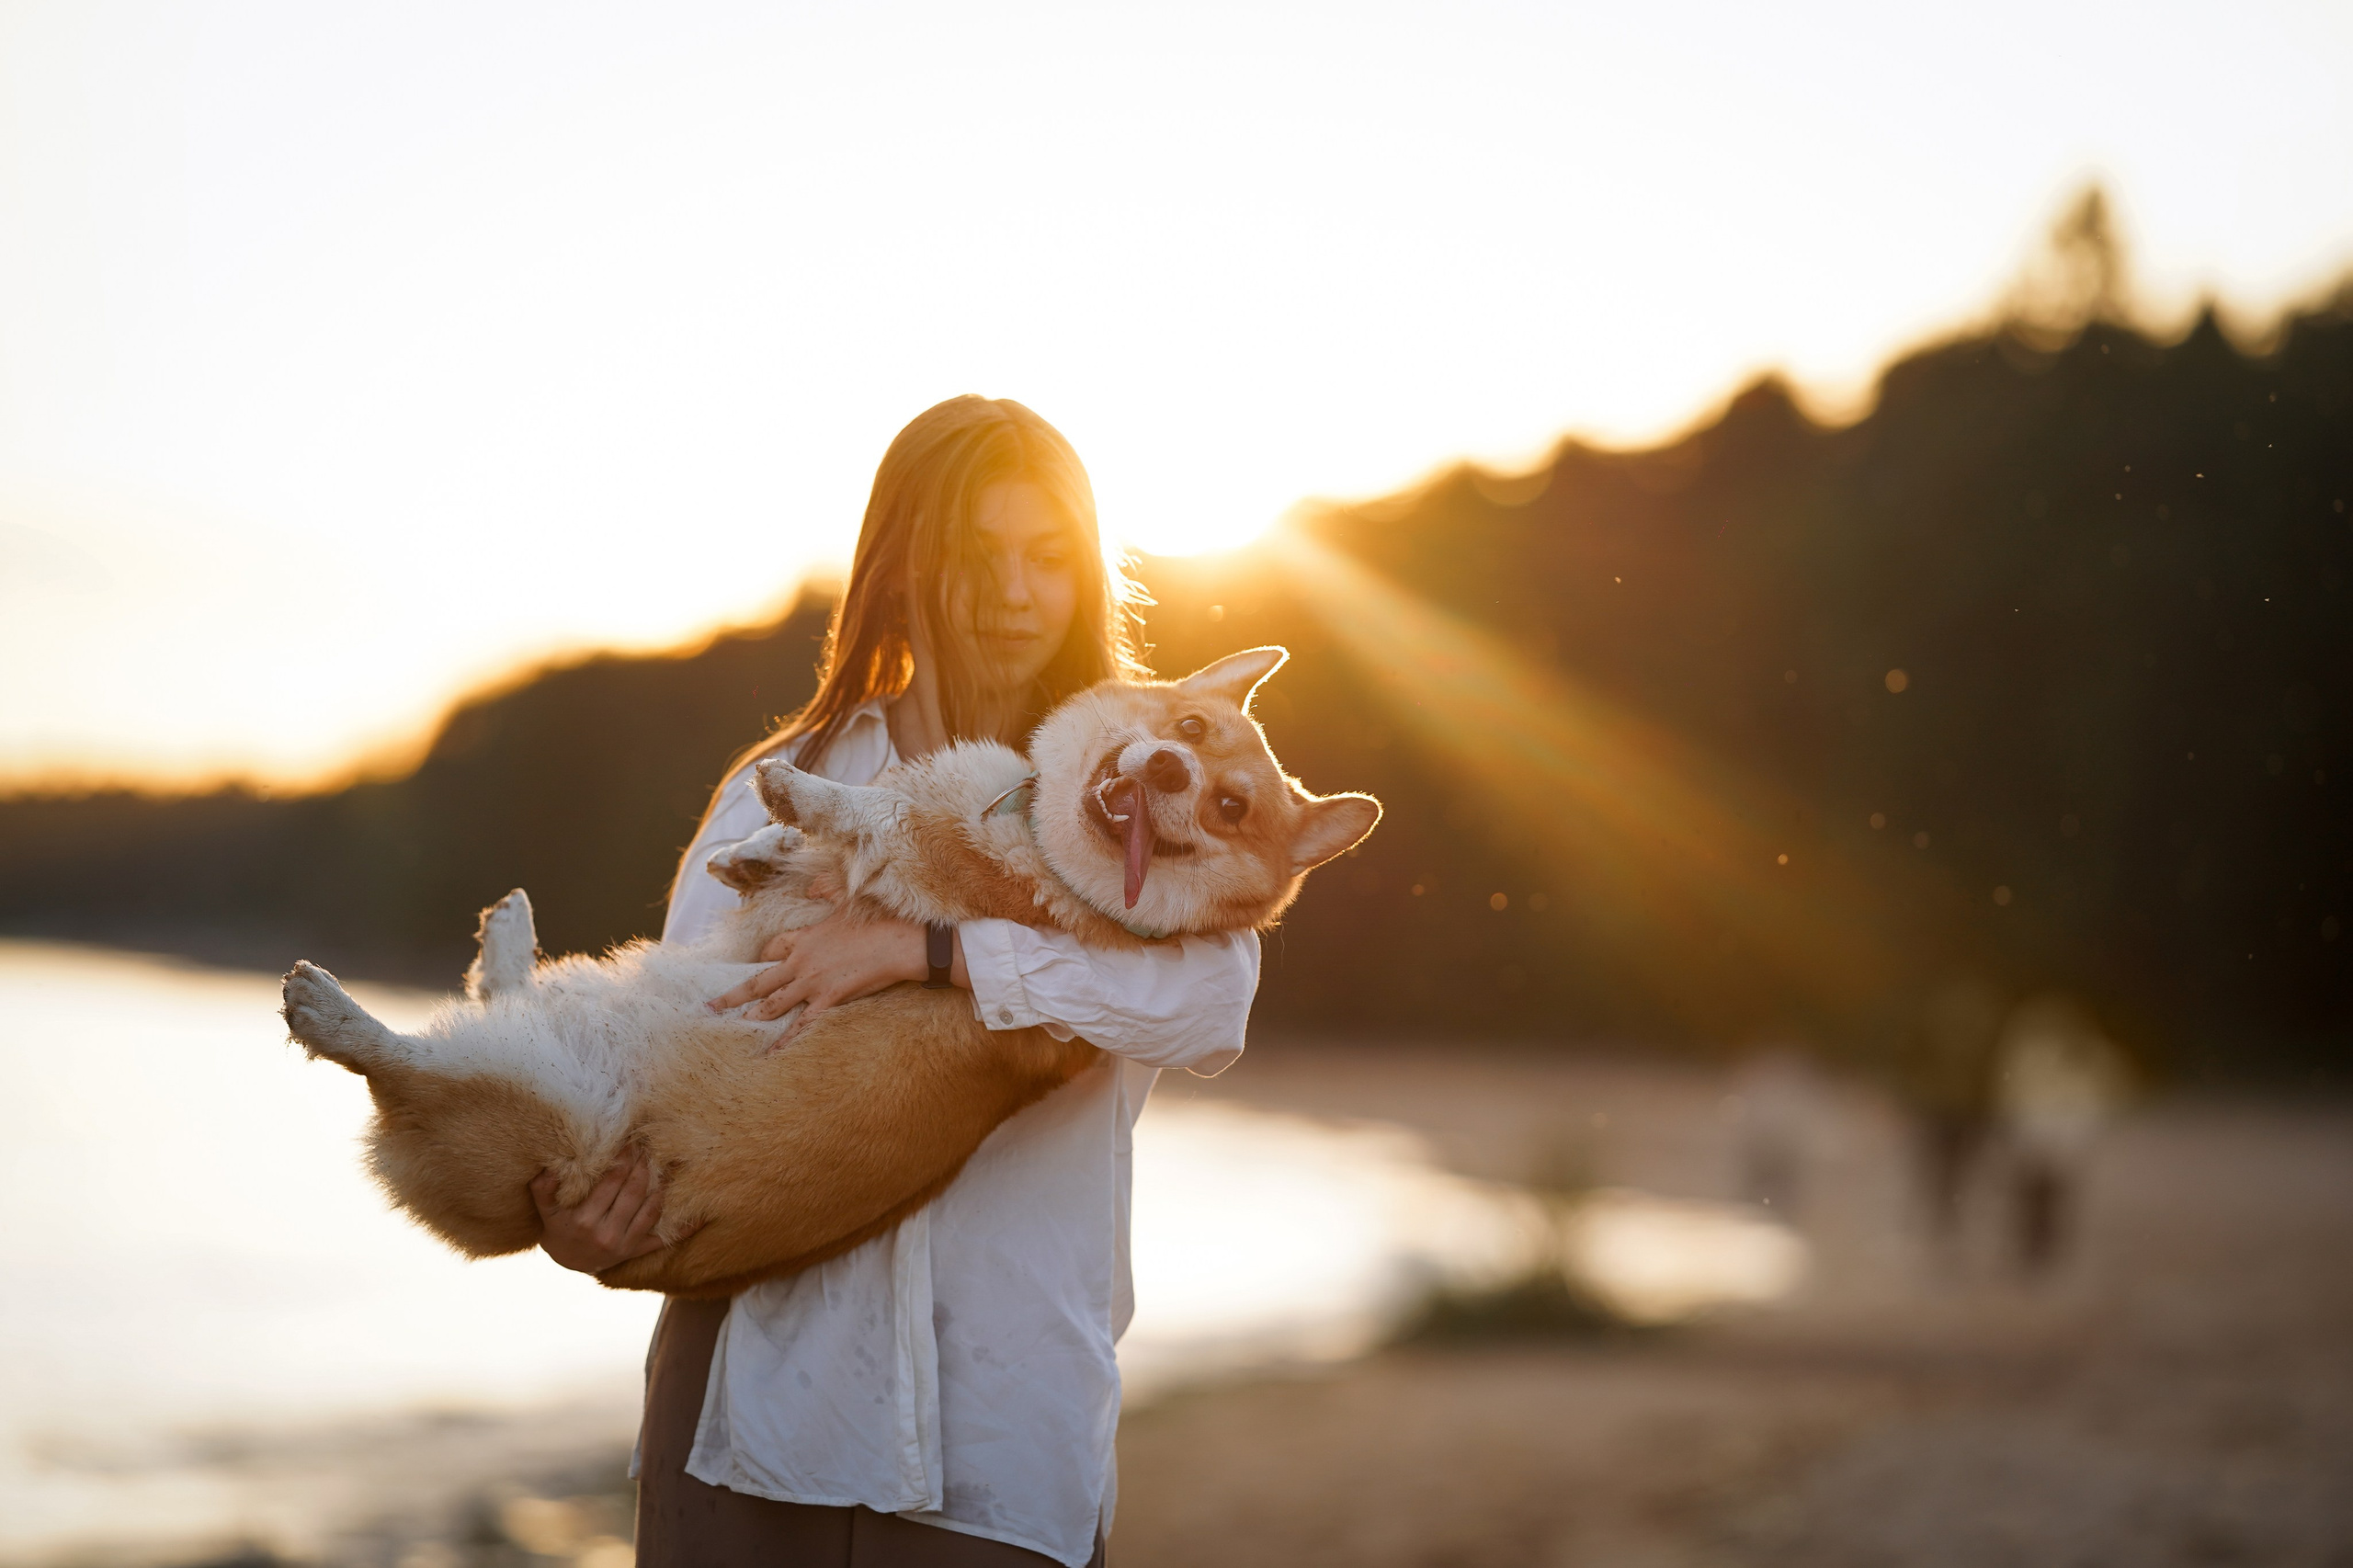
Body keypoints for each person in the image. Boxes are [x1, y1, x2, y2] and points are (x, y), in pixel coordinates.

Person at [529, 397, 1258, 1566]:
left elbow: (1209, 999)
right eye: (977, 556)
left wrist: (937, 953)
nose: (1016, 593)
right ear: (903, 570)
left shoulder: (1128, 793)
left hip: (1004, 1431)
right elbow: (651, 1043)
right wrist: (574, 1211)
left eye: (1048, 558)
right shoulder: (788, 785)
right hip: (755, 1405)